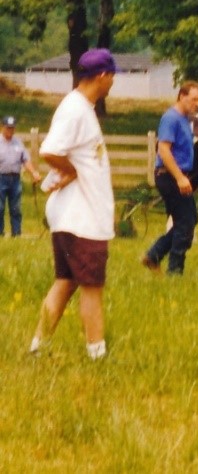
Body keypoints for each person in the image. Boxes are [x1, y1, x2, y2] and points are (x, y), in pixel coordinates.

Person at [29, 48, 117, 359]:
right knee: (92, 286)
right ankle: (98, 355)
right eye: (113, 77)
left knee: (65, 282)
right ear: (103, 75)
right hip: (82, 219)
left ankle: (37, 348)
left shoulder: (81, 107)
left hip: (75, 216)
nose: (113, 83)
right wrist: (70, 170)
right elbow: (49, 150)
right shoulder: (76, 108)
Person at [142, 81, 198, 275]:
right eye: (194, 99)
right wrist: (179, 178)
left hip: (178, 176)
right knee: (185, 223)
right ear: (181, 96)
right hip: (170, 176)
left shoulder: (184, 118)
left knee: (187, 220)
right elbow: (164, 150)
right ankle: (174, 271)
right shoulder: (171, 118)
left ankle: (154, 255)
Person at [0, 115, 42, 237]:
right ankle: (0, 233)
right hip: (1, 178)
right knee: (0, 208)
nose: (10, 130)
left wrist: (34, 173)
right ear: (3, 127)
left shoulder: (18, 142)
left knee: (16, 208)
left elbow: (26, 160)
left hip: (15, 179)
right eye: (8, 128)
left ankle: (16, 233)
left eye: (12, 128)